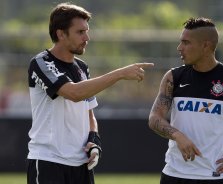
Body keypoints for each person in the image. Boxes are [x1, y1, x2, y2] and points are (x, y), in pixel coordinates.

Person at [27, 2, 153, 184]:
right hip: (48, 162)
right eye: (80, 32)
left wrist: (94, 140)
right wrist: (120, 74)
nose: (87, 37)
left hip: (81, 165)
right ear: (60, 34)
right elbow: (73, 93)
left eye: (87, 31)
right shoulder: (41, 62)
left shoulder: (82, 68)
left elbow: (89, 113)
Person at [148, 17, 223, 184]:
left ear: (206, 46)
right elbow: (155, 118)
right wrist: (177, 135)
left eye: (186, 43)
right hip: (173, 175)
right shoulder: (173, 77)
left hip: (214, 177)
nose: (179, 48)